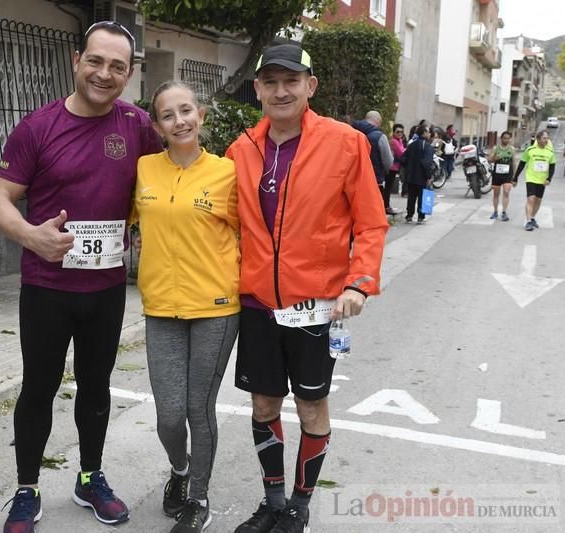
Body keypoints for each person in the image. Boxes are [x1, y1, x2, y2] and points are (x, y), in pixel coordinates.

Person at [0, 21, 163, 533]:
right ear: (75, 60)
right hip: (46, 287)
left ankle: (90, 478)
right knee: (38, 388)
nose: (104, 74)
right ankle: (26, 489)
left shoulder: (136, 127)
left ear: (129, 74)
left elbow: (170, 180)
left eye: (117, 66)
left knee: (96, 387)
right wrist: (29, 235)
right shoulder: (36, 127)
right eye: (95, 61)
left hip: (105, 289)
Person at [226, 44, 388, 533]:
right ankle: (273, 501)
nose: (280, 91)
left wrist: (359, 283)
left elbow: (372, 223)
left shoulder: (344, 142)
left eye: (290, 81)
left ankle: (299, 505)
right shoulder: (241, 150)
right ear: (257, 89)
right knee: (262, 403)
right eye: (270, 82)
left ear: (309, 86)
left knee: (312, 403)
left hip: (317, 305)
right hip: (257, 302)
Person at [132, 80, 240, 533]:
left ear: (202, 116)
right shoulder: (142, 169)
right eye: (168, 115)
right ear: (157, 125)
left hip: (215, 307)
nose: (180, 121)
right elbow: (116, 215)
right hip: (161, 307)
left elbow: (257, 231)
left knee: (200, 408)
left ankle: (198, 498)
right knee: (169, 415)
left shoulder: (227, 173)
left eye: (186, 111)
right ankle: (180, 469)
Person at [351, 111, 393, 212]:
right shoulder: (379, 137)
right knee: (372, 212)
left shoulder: (351, 131)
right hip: (374, 180)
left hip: (353, 180)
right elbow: (388, 161)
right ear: (378, 121)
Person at [514, 130, 556, 231]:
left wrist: (549, 178)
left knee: (538, 200)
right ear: (538, 139)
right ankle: (528, 221)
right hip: (531, 178)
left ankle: (532, 217)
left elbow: (552, 166)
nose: (546, 140)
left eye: (547, 138)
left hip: (542, 180)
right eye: (544, 138)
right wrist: (515, 177)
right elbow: (522, 164)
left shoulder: (550, 152)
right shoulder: (530, 150)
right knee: (531, 199)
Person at [403, 124, 434, 224]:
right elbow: (426, 162)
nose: (430, 134)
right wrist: (429, 176)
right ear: (424, 133)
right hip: (422, 176)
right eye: (428, 132)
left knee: (411, 197)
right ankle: (420, 217)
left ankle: (409, 215)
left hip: (411, 175)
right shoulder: (427, 146)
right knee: (421, 196)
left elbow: (403, 159)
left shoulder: (412, 145)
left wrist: (408, 169)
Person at [487, 131, 516, 221]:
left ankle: (504, 212)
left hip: (508, 174)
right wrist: (495, 158)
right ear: (501, 139)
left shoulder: (512, 149)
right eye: (504, 138)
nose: (506, 140)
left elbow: (514, 162)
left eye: (508, 138)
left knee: (506, 192)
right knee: (496, 194)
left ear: (510, 139)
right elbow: (489, 160)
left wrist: (514, 176)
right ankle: (495, 211)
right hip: (497, 174)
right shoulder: (496, 148)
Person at [386, 123, 406, 213]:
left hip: (395, 167)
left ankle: (386, 204)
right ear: (393, 132)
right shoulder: (394, 141)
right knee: (388, 187)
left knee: (389, 187)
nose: (400, 134)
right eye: (398, 132)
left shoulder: (399, 140)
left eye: (401, 132)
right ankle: (386, 205)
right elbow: (401, 152)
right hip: (391, 167)